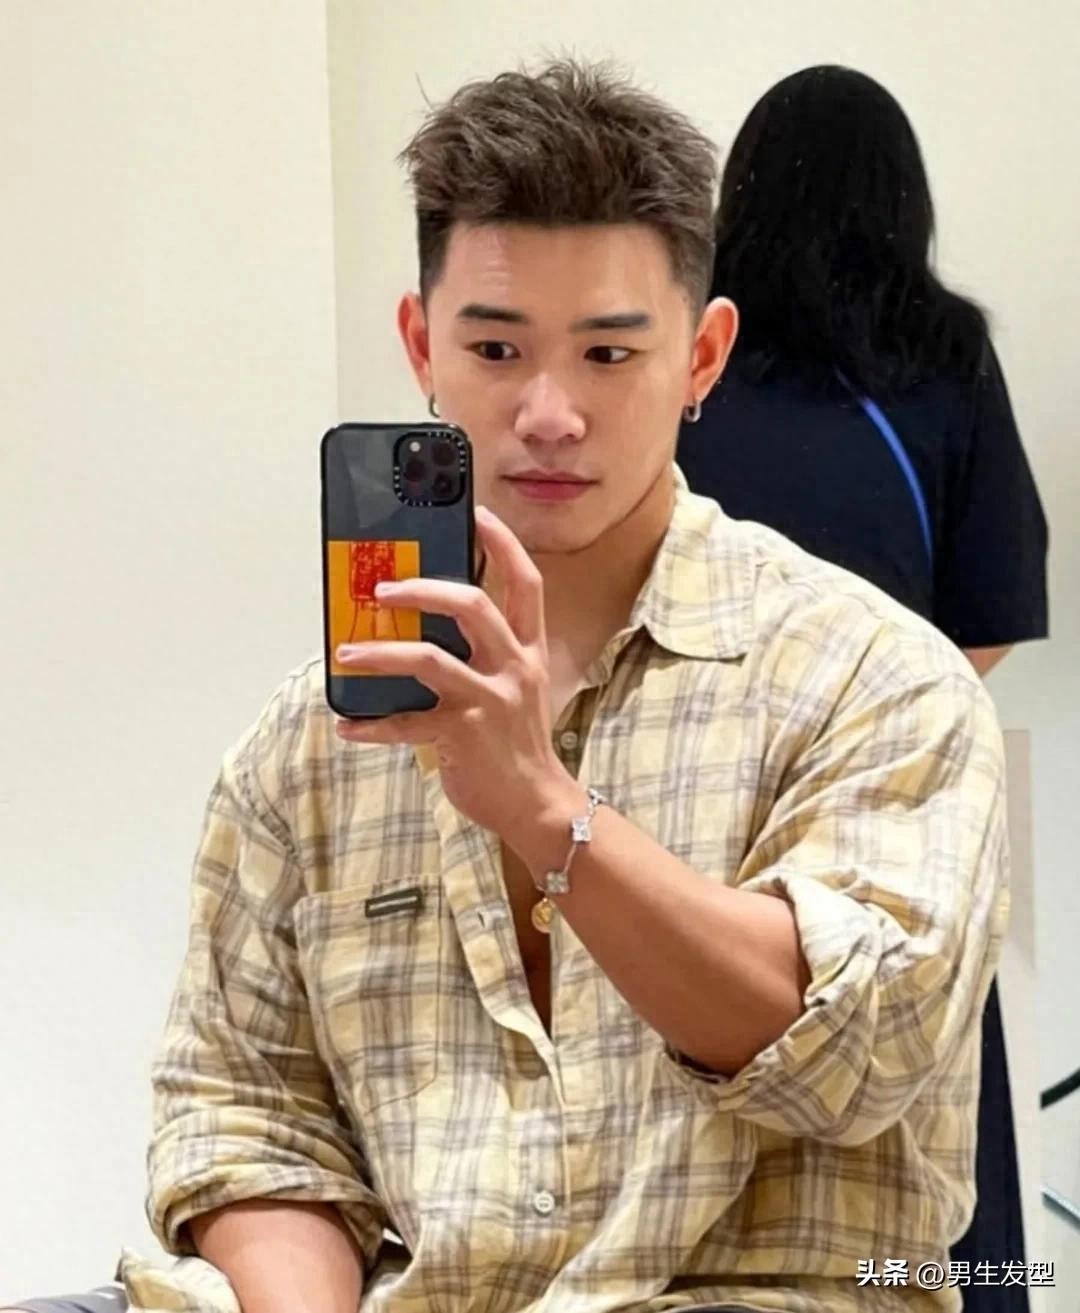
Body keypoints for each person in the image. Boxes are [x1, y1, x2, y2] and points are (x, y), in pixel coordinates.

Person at [12, 60, 1008, 1313]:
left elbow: (855, 1055)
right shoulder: (305, 741)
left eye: (608, 351)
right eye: (495, 347)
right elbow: (249, 1113)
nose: (549, 412)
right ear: (420, 345)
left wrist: (543, 809)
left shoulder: (876, 679)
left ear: (702, 357)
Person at [675, 65, 1048, 1313]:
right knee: (936, 1162)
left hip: (694, 812)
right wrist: (885, 718)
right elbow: (993, 607)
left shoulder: (691, 364)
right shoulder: (945, 357)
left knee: (696, 1128)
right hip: (904, 813)